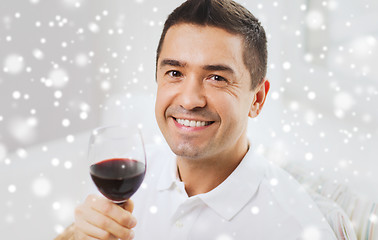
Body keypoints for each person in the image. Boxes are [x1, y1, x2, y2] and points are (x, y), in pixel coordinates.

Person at [56, 0, 337, 239]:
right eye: (175, 73)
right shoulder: (132, 177)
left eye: (217, 78)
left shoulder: (295, 227)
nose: (189, 100)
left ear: (257, 99)